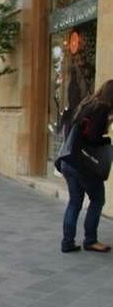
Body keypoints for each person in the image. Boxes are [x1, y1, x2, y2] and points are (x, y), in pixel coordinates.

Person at [58, 79, 112, 253]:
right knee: (97, 200)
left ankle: (67, 242)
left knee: (74, 202)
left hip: (69, 160)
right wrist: (107, 140)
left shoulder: (87, 104)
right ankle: (90, 240)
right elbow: (93, 137)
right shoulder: (101, 109)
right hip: (82, 165)